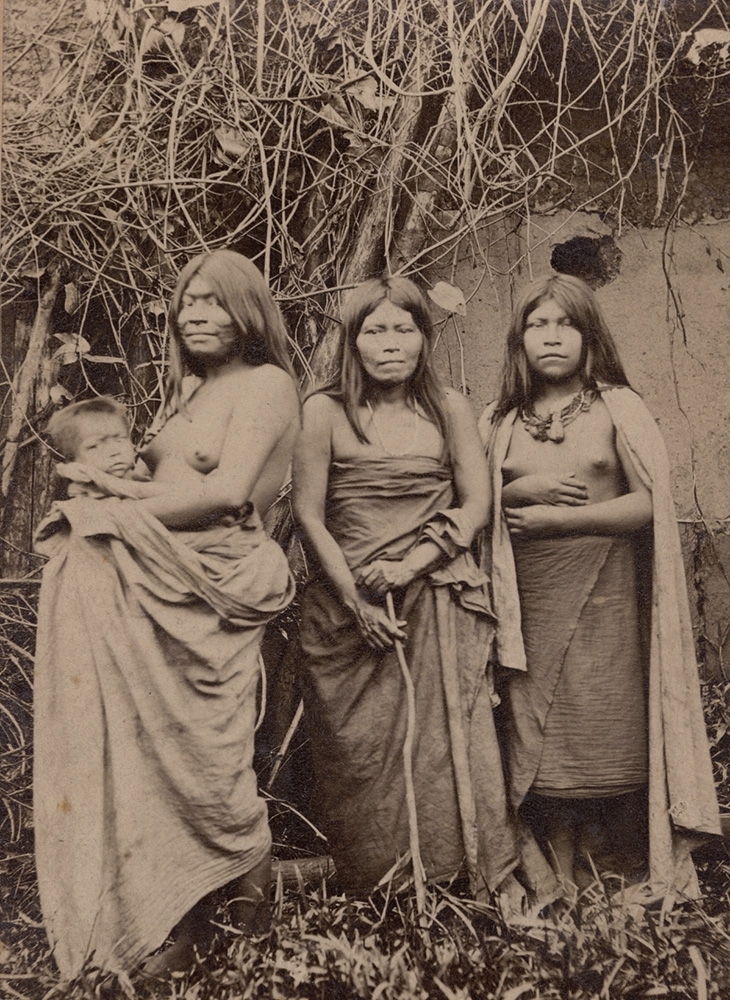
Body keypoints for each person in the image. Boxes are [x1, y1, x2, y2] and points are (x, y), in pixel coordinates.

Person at [33, 250, 299, 979]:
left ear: (248, 311)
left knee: (214, 759)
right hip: (165, 579)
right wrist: (101, 485)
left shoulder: (268, 384)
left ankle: (243, 922)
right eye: (188, 302)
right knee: (160, 754)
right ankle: (178, 917)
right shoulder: (190, 389)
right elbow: (162, 485)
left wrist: (111, 506)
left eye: (215, 301)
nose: (197, 315)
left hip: (219, 583)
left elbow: (227, 494)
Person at [479, 272, 720, 897]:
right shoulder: (498, 421)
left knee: (605, 726)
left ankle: (610, 860)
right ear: (519, 339)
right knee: (538, 733)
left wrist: (563, 520)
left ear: (590, 337)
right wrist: (518, 489)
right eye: (537, 324)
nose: (551, 337)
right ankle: (552, 865)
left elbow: (649, 504)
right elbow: (471, 509)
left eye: (567, 324)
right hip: (526, 605)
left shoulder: (619, 408)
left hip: (606, 600)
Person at [292, 275, 531, 903]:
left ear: (425, 338)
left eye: (404, 329)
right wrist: (357, 604)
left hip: (433, 596)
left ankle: (457, 870)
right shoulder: (323, 411)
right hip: (347, 611)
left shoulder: (448, 408)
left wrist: (410, 565)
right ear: (354, 341)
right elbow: (308, 515)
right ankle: (384, 883)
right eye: (375, 331)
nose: (390, 344)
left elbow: (476, 504)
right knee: (362, 749)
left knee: (448, 738)